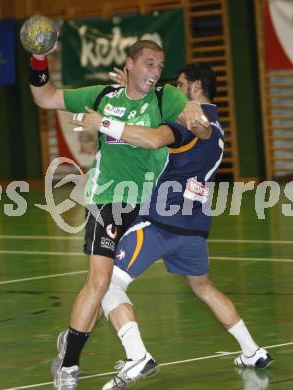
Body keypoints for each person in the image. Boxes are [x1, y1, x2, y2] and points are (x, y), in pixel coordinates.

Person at [74, 62, 273, 389]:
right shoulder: (218, 126)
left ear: (194, 88)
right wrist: (133, 90)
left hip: (159, 221)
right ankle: (252, 351)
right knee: (204, 288)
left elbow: (151, 138)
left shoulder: (188, 118)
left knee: (107, 283)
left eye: (179, 84)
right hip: (194, 227)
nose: (174, 91)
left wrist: (105, 120)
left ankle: (137, 354)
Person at [28, 39, 209, 389]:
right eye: (150, 63)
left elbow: (198, 129)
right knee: (99, 282)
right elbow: (45, 97)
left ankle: (91, 343)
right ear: (129, 64)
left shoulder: (166, 98)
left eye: (160, 65)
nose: (156, 72)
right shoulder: (104, 96)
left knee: (108, 287)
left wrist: (196, 118)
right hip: (109, 200)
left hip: (149, 206)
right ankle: (69, 366)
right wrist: (38, 59)